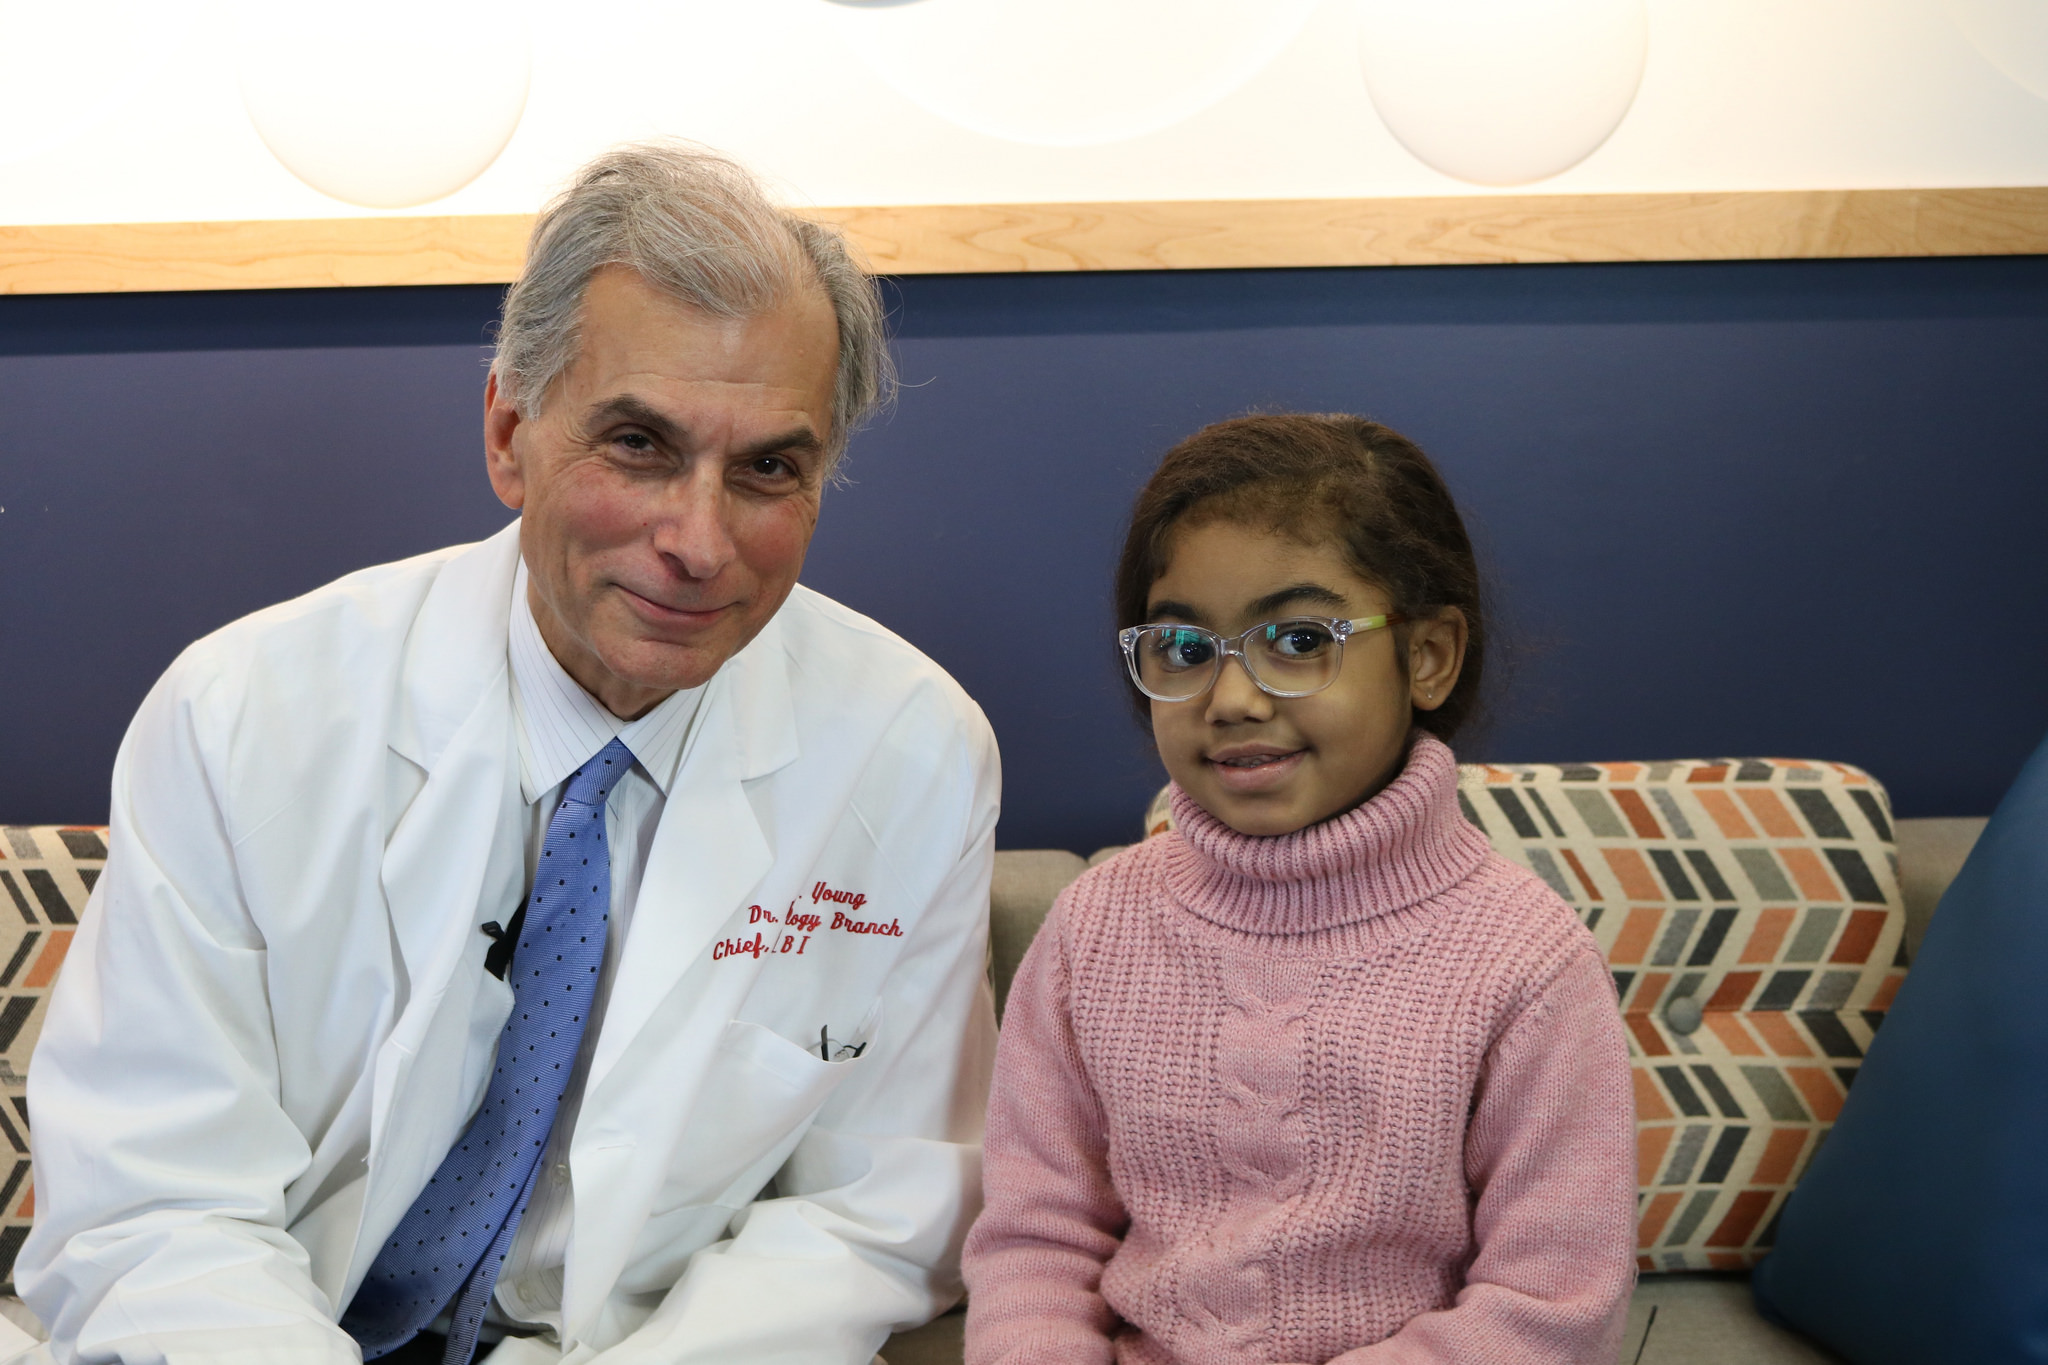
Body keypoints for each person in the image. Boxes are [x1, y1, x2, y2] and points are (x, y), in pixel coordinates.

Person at [17, 142, 1000, 1365]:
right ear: (508, 433)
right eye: (637, 444)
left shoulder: (910, 753)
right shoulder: (245, 713)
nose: (697, 541)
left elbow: (872, 1212)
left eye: (767, 470)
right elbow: (157, 1204)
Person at [962, 414, 1636, 1364]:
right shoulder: (1096, 926)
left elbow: (1551, 1303)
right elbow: (1038, 1240)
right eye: (1185, 649)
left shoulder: (1526, 959)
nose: (1232, 698)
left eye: (1297, 638)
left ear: (1430, 655)